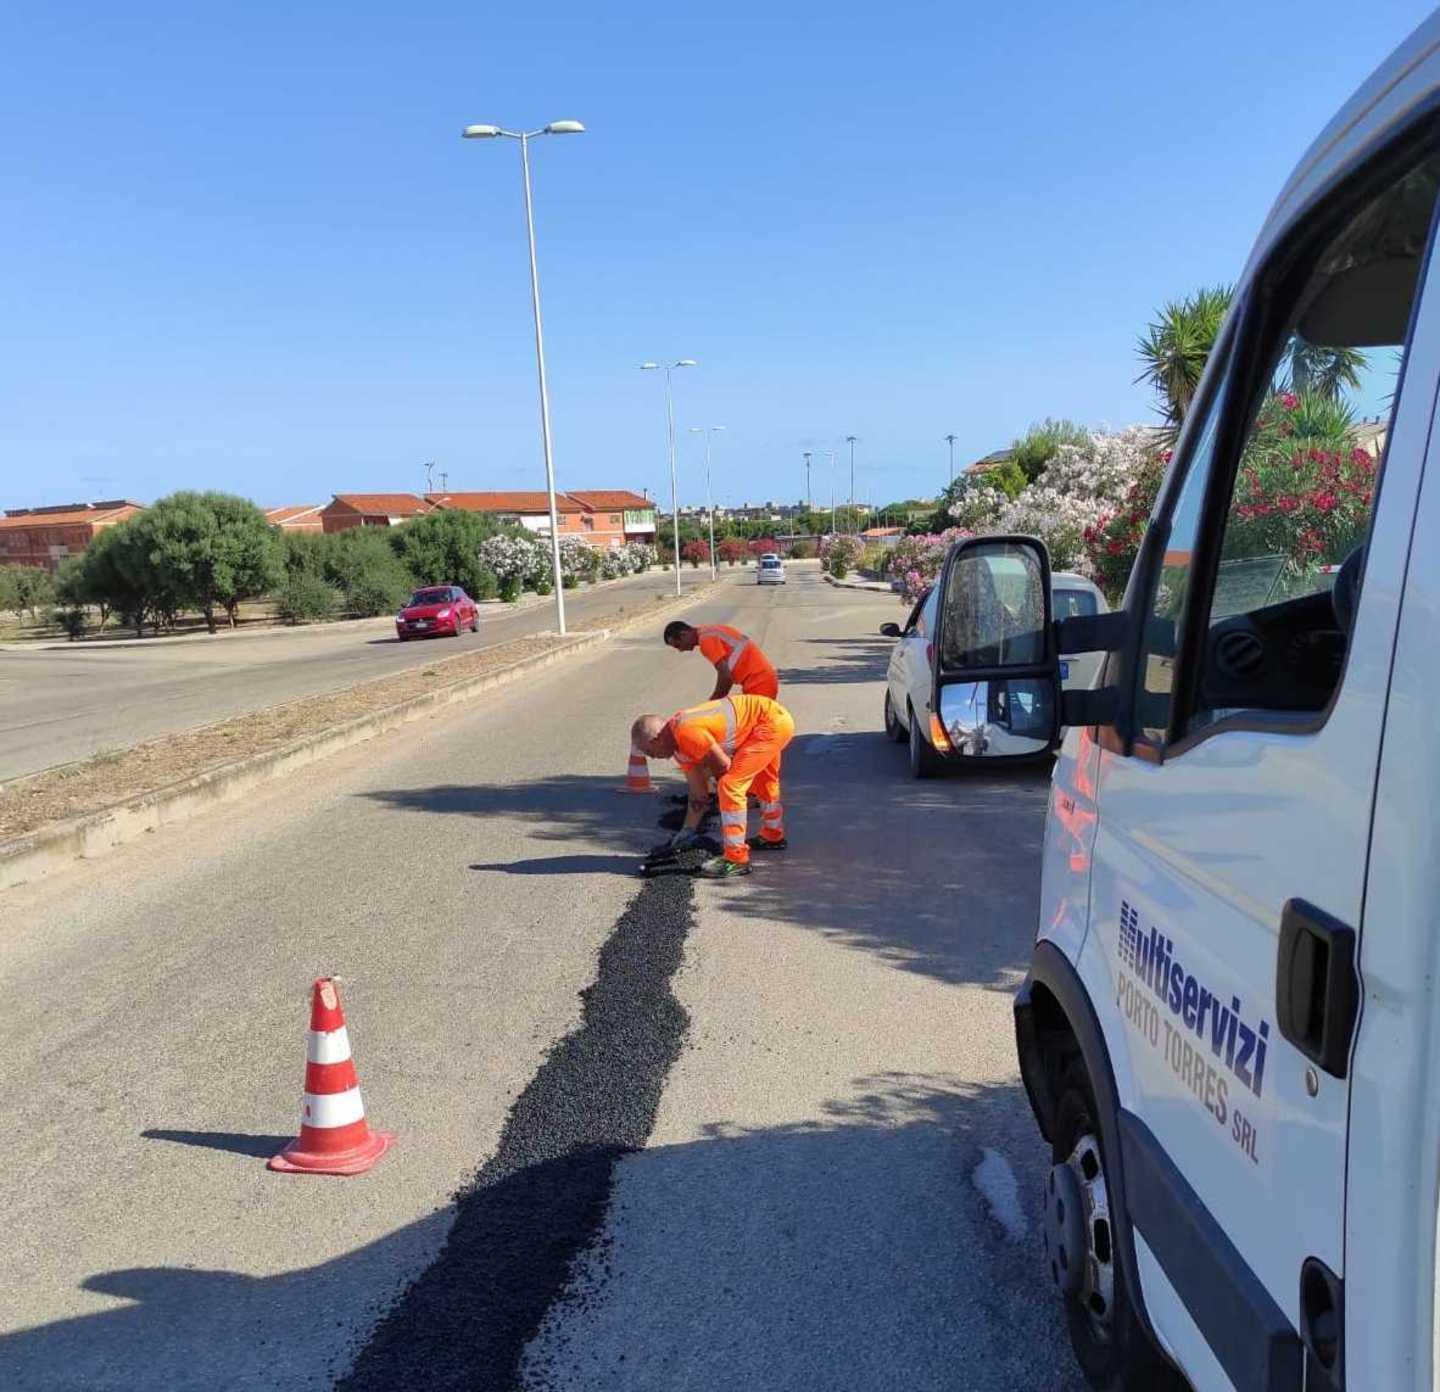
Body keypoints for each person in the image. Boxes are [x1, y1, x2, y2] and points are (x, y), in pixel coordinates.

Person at [631, 694, 795, 879]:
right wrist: (687, 831)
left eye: (649, 752)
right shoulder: (678, 749)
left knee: (730, 785)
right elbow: (698, 792)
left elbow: (723, 767)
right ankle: (772, 836)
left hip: (769, 723)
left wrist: (729, 799)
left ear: (655, 740)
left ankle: (736, 859)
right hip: (771, 721)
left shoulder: (685, 732)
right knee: (764, 782)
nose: (652, 758)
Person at [663, 621, 779, 700]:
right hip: (761, 679)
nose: (681, 650)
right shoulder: (708, 630)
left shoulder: (706, 641)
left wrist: (713, 703)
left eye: (678, 645)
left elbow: (725, 677)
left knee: (755, 728)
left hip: (759, 683)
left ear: (683, 634)